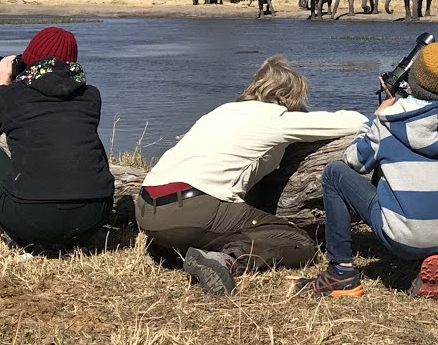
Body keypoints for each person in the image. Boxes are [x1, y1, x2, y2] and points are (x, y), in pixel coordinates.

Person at [138, 55, 366, 296]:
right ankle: (226, 260)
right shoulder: (277, 119)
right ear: (290, 97)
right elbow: (356, 121)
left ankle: (171, 246)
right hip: (191, 209)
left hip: (146, 209)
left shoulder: (221, 111)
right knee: (301, 244)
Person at [294, 40, 438, 299]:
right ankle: (429, 257)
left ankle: (340, 272)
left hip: (401, 238)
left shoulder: (388, 122)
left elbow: (354, 160)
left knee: (333, 173)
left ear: (414, 79)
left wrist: (376, 115)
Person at [0, 26, 115, 255]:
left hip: (34, 221)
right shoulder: (91, 96)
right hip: (93, 217)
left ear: (31, 59)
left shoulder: (11, 95)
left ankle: (17, 236)